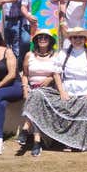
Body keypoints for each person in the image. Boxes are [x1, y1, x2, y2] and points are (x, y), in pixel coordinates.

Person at [19, 29, 58, 157]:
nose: (42, 39)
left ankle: (25, 128)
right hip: (32, 88)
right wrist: (25, 88)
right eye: (40, 37)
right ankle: (37, 142)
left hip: (50, 90)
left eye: (45, 37)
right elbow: (25, 75)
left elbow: (59, 75)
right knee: (35, 95)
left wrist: (50, 78)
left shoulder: (55, 56)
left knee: (37, 95)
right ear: (36, 40)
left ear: (50, 41)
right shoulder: (29, 55)